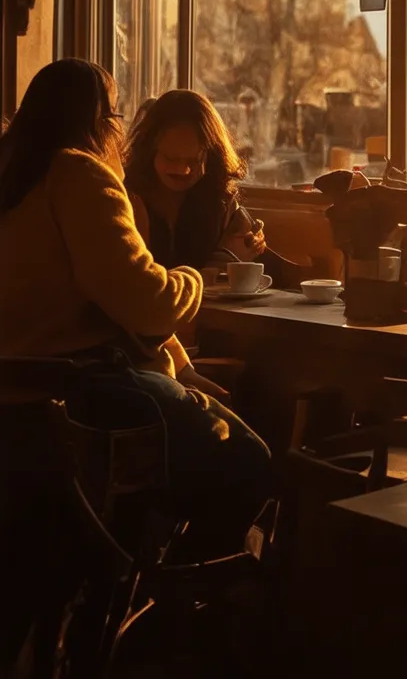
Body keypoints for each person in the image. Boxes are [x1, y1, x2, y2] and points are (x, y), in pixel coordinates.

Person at [0, 60, 271, 561]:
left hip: (17, 393)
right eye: (113, 114)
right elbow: (146, 304)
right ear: (98, 119)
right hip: (78, 394)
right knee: (250, 460)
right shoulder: (79, 175)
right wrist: (193, 279)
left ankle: (127, 583)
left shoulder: (16, 174)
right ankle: (169, 602)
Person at [123, 90, 309, 286]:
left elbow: (270, 271)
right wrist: (226, 258)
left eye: (194, 160)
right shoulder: (127, 201)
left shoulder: (220, 201)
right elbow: (137, 287)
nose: (183, 170)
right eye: (171, 158)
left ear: (212, 156)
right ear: (149, 150)